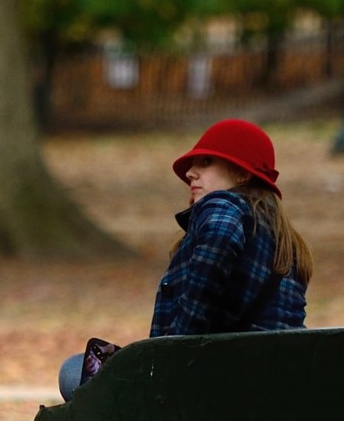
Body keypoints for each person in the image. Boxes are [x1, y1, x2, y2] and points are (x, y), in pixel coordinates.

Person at [57, 118, 313, 400]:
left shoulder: (224, 206)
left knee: (72, 371)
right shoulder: (288, 243)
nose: (191, 173)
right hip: (274, 385)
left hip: (210, 389)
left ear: (241, 175)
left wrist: (173, 353)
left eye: (205, 162)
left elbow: (221, 236)